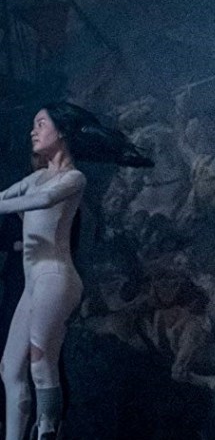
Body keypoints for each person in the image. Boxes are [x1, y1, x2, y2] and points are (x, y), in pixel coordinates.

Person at [0, 102, 152, 440]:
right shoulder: (35, 178)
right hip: (33, 282)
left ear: (63, 131)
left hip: (55, 279)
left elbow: (42, 201)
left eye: (41, 124)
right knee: (10, 368)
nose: (33, 131)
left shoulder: (73, 178)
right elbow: (8, 197)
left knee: (41, 364)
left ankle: (47, 430)